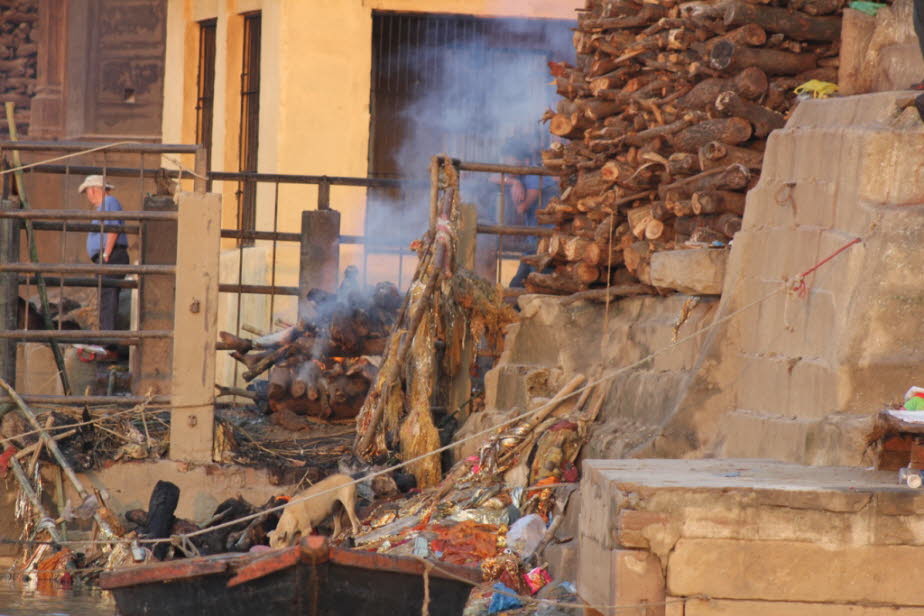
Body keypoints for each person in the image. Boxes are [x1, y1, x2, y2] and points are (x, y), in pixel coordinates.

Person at [499, 140, 557, 288]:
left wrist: (513, 184)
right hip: (536, 240)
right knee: (519, 281)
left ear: (524, 161)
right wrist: (513, 182)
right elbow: (490, 177)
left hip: (548, 240)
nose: (508, 167)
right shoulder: (521, 177)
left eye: (510, 163)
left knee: (536, 280)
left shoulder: (534, 175)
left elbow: (522, 208)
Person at [80, 175, 128, 354]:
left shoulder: (110, 202)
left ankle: (107, 343)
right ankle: (105, 340)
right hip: (107, 256)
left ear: (93, 189)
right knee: (105, 297)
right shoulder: (105, 205)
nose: (88, 197)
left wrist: (106, 253)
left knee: (108, 297)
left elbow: (113, 228)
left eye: (87, 192)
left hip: (111, 256)